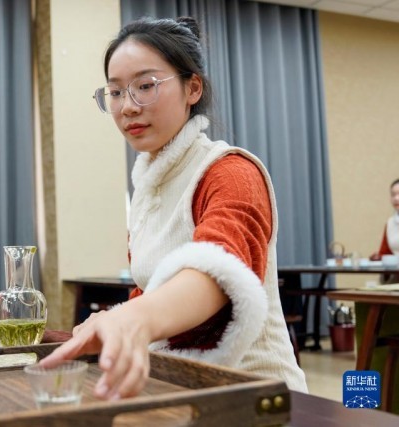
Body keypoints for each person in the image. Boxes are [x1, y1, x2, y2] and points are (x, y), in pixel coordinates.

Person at [40, 16, 307, 399]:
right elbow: (152, 289)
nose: (127, 107)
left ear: (192, 88)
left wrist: (132, 319)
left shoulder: (231, 171)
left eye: (145, 86)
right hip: (176, 384)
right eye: (115, 92)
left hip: (254, 389)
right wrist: (113, 319)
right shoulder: (149, 187)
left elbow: (215, 273)